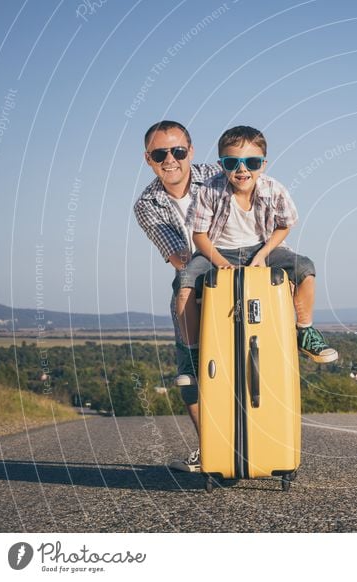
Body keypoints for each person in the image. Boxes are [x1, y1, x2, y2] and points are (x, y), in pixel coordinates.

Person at [180, 125, 338, 367]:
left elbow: (285, 225)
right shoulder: (209, 191)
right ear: (221, 164)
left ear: (263, 164)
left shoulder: (274, 189)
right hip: (218, 250)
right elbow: (199, 236)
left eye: (251, 162)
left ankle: (305, 332)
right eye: (232, 162)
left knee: (305, 268)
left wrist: (263, 253)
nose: (242, 169)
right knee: (184, 283)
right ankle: (193, 354)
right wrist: (221, 264)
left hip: (263, 246)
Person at [133, 120, 220, 472]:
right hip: (194, 278)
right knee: (189, 373)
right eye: (160, 153)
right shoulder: (146, 204)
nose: (170, 159)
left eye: (178, 151)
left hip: (244, 268)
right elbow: (179, 256)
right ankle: (210, 444)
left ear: (191, 152)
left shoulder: (220, 173)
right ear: (148, 159)